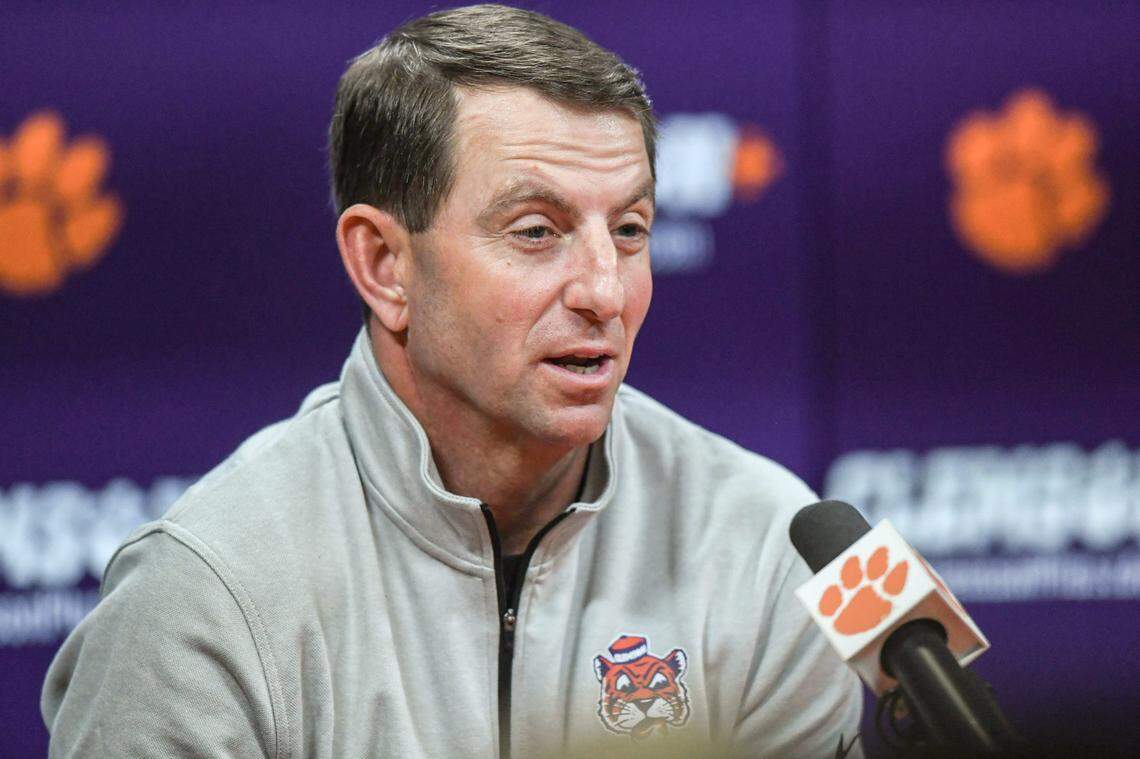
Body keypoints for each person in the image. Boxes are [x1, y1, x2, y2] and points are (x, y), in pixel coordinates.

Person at [41, 5, 861, 757]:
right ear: (385, 264)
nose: (606, 291)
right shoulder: (208, 593)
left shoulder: (764, 546)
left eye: (631, 229)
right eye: (537, 232)